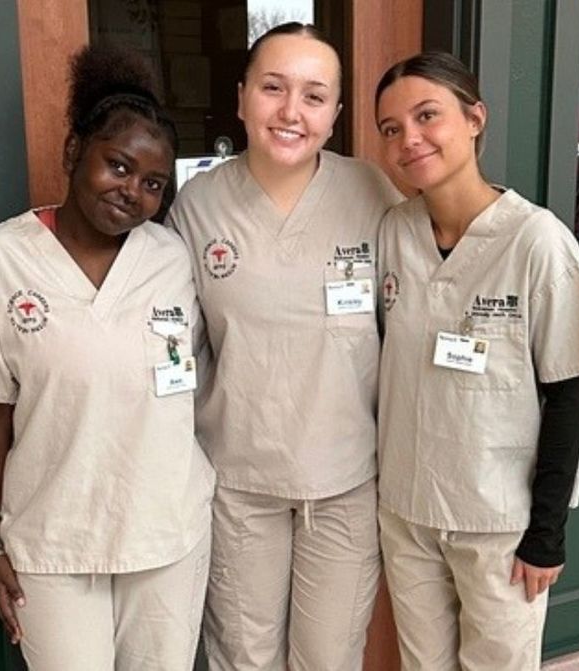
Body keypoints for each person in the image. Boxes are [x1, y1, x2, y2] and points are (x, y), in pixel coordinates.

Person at [0, 44, 214, 671]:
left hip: (167, 534)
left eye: (152, 184)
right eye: (117, 166)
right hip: (52, 543)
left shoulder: (170, 257)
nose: (132, 192)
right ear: (73, 153)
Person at [167, 22, 401, 671]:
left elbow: (411, 327)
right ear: (242, 98)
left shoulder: (374, 195)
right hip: (239, 481)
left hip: (348, 480)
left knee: (329, 658)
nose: (291, 111)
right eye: (273, 88)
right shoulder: (198, 206)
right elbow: (173, 348)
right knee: (242, 656)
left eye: (314, 95)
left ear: (335, 115)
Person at [374, 51, 579, 670]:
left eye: (428, 116)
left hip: (498, 520)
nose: (409, 139)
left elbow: (569, 394)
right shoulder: (393, 232)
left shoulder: (537, 242)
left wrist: (546, 535)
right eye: (391, 129)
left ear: (475, 118)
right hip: (407, 507)